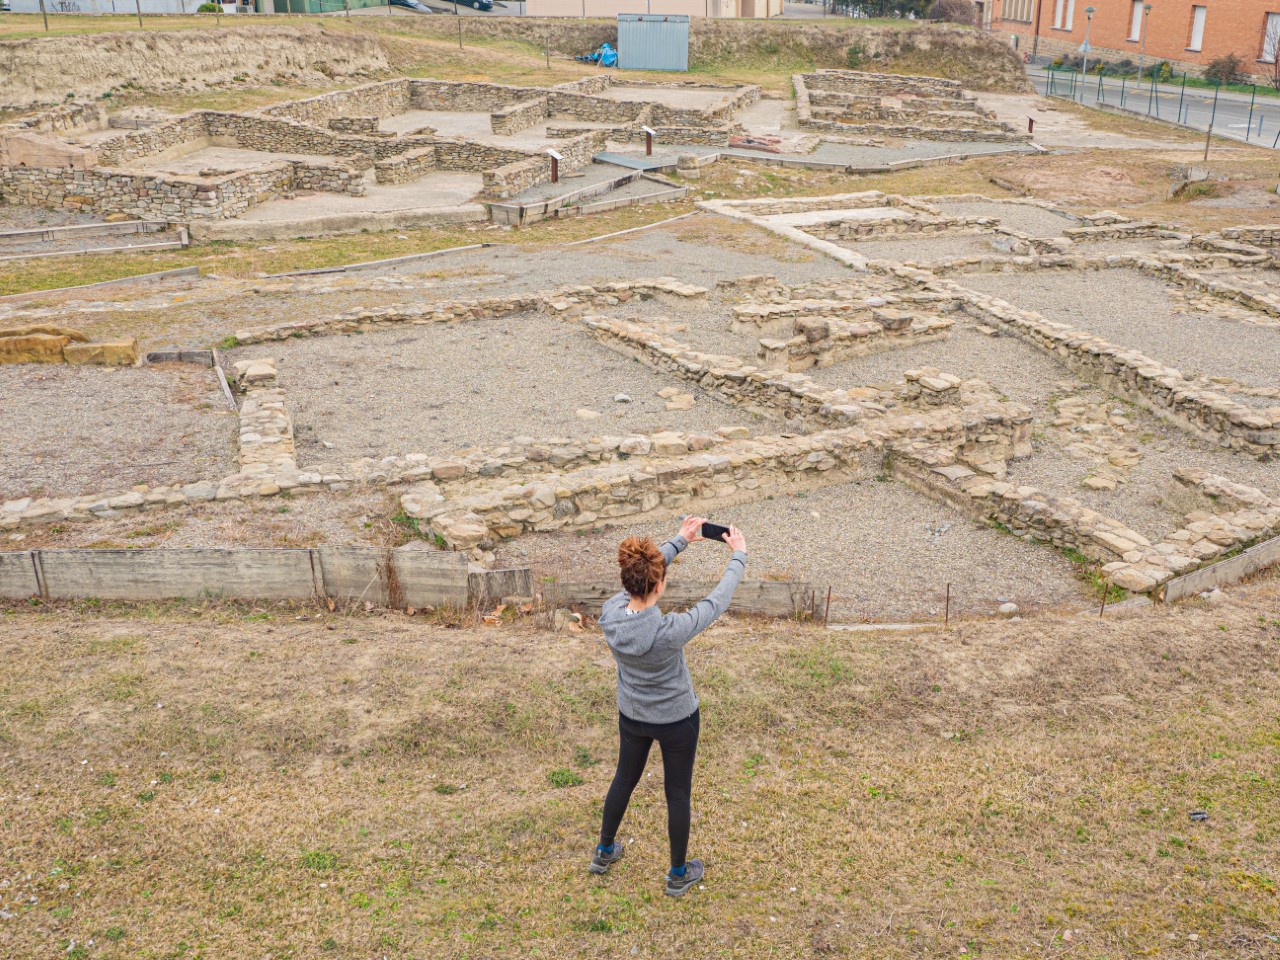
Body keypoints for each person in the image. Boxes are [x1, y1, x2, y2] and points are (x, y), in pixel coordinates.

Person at [589, 515, 748, 898]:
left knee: (623, 780)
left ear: (628, 582)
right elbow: (716, 601)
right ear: (659, 585)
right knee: (677, 794)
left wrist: (680, 540)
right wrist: (738, 555)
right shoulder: (669, 631)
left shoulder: (611, 612)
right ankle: (678, 875)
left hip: (633, 715)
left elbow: (639, 576)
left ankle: (604, 852)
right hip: (677, 720)